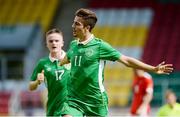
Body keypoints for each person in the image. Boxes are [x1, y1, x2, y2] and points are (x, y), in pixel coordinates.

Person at [60, 8, 173, 116]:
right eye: (74, 23)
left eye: (77, 24)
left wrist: (153, 69)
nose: (73, 26)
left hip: (95, 101)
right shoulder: (73, 45)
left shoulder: (99, 46)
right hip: (73, 99)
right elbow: (63, 61)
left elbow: (126, 60)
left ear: (87, 27)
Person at [29, 28, 70, 116]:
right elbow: (31, 87)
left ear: (62, 43)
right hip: (53, 106)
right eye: (51, 41)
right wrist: (37, 82)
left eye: (56, 40)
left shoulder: (72, 59)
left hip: (70, 104)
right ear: (47, 44)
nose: (54, 43)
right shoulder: (42, 63)